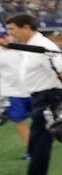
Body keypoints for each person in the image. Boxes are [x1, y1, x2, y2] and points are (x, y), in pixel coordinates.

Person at [4, 13, 62, 175]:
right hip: (40, 98)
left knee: (41, 141)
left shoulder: (43, 46)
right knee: (54, 136)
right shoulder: (30, 46)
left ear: (26, 27)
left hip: (49, 98)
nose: (10, 33)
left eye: (12, 29)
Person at [0, 23, 31, 158]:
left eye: (6, 35)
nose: (5, 39)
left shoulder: (21, 49)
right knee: (19, 121)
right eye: (1, 37)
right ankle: (31, 148)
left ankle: (41, 140)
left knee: (41, 118)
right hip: (12, 93)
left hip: (31, 89)